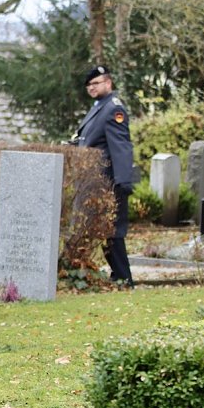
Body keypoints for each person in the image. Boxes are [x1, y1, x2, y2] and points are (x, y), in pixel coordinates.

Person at [74, 65, 134, 287]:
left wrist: (122, 181)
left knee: (113, 231)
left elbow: (121, 147)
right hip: (93, 182)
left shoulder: (113, 109)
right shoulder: (98, 108)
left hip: (109, 181)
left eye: (96, 83)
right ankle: (118, 276)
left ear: (108, 83)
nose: (91, 87)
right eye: (89, 85)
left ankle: (124, 277)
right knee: (104, 230)